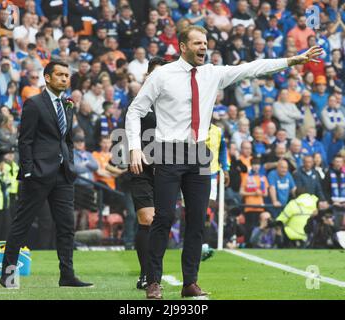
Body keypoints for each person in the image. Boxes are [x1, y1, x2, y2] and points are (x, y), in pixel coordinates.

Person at [126, 25, 322, 299]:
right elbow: (135, 110)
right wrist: (135, 148)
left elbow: (253, 68)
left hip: (199, 153)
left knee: (197, 221)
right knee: (165, 217)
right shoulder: (162, 75)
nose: (203, 47)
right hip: (168, 151)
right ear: (183, 46)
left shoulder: (212, 73)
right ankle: (153, 281)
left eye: (205, 42)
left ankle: (190, 283)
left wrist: (291, 60)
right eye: (197, 43)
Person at [0, 61, 92, 288]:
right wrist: (29, 171)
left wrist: (69, 162)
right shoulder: (33, 103)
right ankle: (8, 275)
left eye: (66, 75)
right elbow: (25, 140)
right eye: (59, 74)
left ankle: (67, 276)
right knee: (22, 224)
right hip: (38, 175)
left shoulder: (68, 104)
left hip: (63, 175)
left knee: (66, 227)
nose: (64, 78)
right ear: (47, 78)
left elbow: (68, 140)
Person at [126, 57, 168, 290]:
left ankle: (152, 271)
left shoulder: (174, 104)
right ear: (147, 77)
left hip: (166, 168)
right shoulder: (138, 103)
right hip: (141, 165)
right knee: (146, 219)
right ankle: (146, 274)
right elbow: (127, 131)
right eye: (155, 74)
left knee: (162, 221)